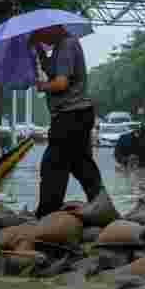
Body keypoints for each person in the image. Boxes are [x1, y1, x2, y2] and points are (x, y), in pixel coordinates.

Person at [28, 25, 102, 219]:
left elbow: (60, 83)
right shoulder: (61, 47)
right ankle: (101, 205)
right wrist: (38, 51)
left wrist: (43, 86)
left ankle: (47, 214)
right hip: (77, 114)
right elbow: (53, 70)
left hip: (71, 115)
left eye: (42, 34)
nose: (42, 39)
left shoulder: (67, 45)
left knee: (53, 164)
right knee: (81, 165)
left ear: (52, 29)